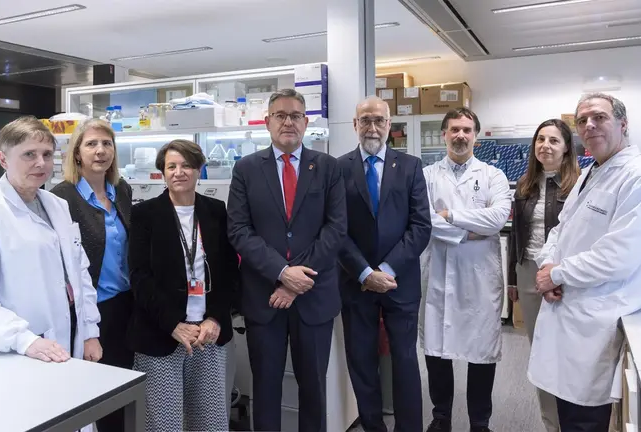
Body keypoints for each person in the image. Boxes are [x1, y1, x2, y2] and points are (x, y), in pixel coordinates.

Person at [528, 93, 641, 432]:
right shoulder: (590, 173)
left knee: (585, 420)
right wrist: (548, 266)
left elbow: (619, 254)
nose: (589, 125)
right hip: (569, 311)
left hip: (596, 322)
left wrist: (557, 274)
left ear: (623, 124)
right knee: (568, 412)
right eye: (582, 120)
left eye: (599, 117)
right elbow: (560, 229)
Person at [227, 88, 346, 432]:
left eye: (296, 116)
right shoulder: (246, 169)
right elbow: (239, 229)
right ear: (267, 122)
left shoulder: (327, 168)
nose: (288, 122)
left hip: (314, 297)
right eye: (281, 115)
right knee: (265, 389)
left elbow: (336, 229)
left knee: (313, 389)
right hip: (265, 298)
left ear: (306, 122)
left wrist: (295, 282)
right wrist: (281, 272)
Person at [0, 116, 102, 364]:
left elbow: (79, 273)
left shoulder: (57, 206)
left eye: (47, 154)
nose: (41, 163)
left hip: (69, 336)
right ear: (3, 159)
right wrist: (24, 340)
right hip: (19, 350)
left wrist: (89, 331)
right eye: (29, 154)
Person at [127, 139, 238, 431]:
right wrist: (173, 324)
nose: (179, 172)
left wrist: (215, 316)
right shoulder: (145, 214)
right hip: (161, 334)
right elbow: (139, 276)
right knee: (164, 424)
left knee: (211, 422)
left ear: (199, 170)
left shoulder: (215, 210)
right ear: (162, 173)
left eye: (186, 165)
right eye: (171, 166)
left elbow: (228, 270)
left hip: (208, 335)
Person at [337, 96, 431, 432]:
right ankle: (373, 427)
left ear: (390, 125)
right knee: (361, 362)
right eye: (365, 120)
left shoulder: (410, 167)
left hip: (399, 282)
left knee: (405, 361)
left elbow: (421, 226)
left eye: (379, 120)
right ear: (355, 125)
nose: (372, 127)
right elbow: (336, 230)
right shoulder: (339, 168)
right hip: (354, 282)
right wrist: (364, 272)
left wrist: (386, 271)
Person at [422, 107, 511, 432]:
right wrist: (472, 230)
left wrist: (450, 217)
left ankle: (479, 423)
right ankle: (441, 417)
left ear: (475, 135)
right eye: (454, 129)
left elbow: (498, 219)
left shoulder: (493, 176)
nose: (460, 135)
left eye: (467, 130)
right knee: (437, 349)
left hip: (479, 276)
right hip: (438, 273)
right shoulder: (427, 176)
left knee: (480, 351)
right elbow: (423, 220)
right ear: (444, 134)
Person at [51, 119, 133, 432]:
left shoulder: (121, 190)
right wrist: (86, 328)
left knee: (121, 390)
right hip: (92, 310)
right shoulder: (63, 197)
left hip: (125, 305)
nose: (100, 151)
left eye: (107, 144)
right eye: (91, 144)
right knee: (95, 396)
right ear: (77, 153)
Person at [507, 118, 580, 432]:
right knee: (539, 351)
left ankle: (575, 420)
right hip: (527, 272)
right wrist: (512, 277)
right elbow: (515, 235)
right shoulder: (524, 185)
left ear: (566, 149)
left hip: (564, 274)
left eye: (553, 140)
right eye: (540, 140)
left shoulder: (579, 184)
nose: (546, 146)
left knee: (568, 350)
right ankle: (551, 423)